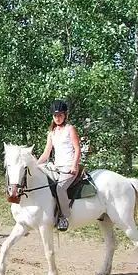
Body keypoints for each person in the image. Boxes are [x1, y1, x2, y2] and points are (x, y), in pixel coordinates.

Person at [35, 99, 81, 232]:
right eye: (55, 115)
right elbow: (46, 153)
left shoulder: (70, 129)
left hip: (69, 167)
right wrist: (35, 165)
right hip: (56, 167)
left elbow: (77, 149)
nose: (57, 118)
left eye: (60, 115)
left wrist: (74, 166)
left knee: (60, 188)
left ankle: (65, 217)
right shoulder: (51, 133)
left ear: (65, 115)